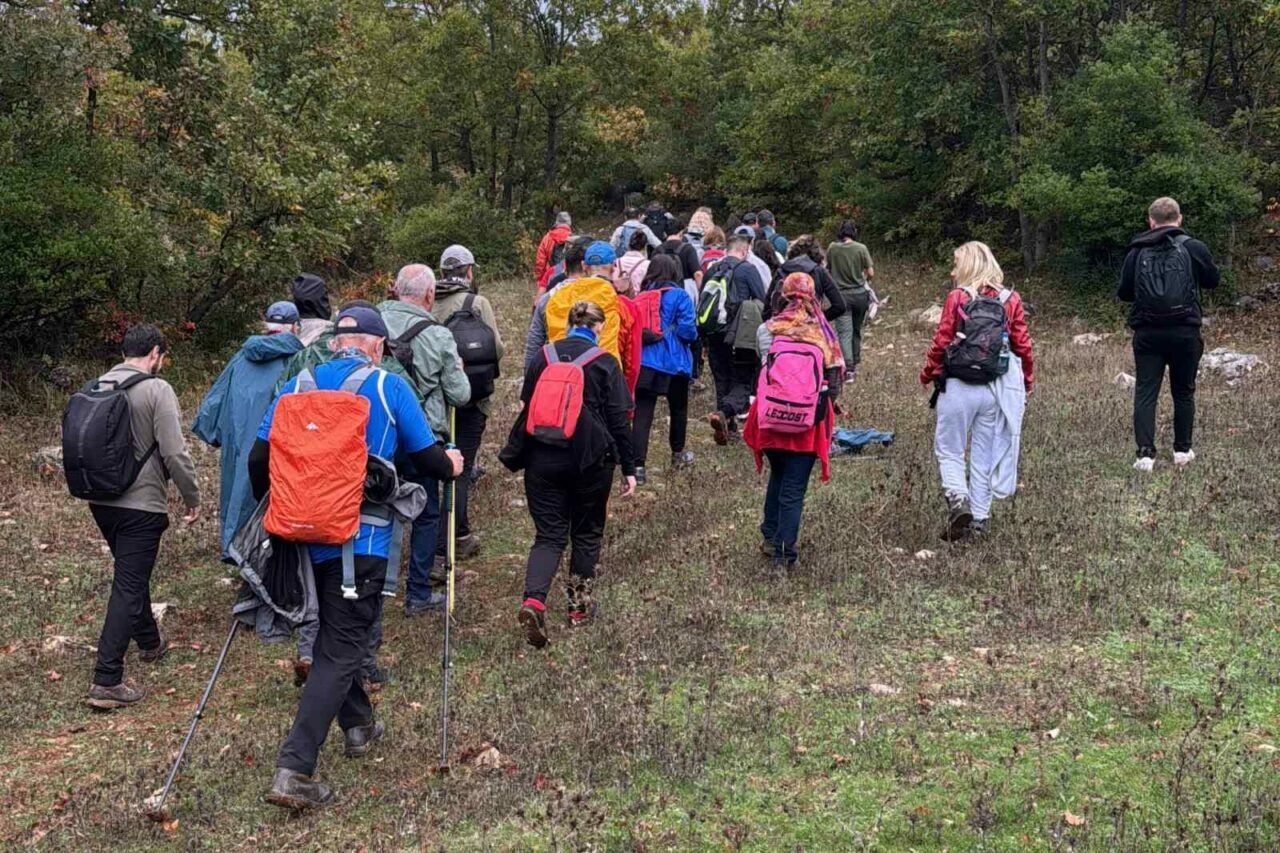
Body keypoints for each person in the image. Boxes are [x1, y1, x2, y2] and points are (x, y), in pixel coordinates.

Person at [253, 307, 464, 810]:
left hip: (301, 537)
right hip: (361, 543)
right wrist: (452, 463)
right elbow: (429, 459)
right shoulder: (389, 387)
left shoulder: (296, 385)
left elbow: (258, 460)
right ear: (376, 345)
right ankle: (294, 768)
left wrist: (287, 509)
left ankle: (360, 725)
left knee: (332, 637)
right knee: (343, 650)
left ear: (335, 342)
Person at [500, 301, 638, 649]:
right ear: (599, 328)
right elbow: (620, 420)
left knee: (548, 536)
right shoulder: (605, 362)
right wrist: (630, 467)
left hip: (541, 458)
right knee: (587, 533)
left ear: (567, 324)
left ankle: (533, 601)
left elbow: (527, 402)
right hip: (590, 461)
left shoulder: (542, 357)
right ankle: (578, 609)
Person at [82, 324, 201, 710]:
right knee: (129, 584)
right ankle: (107, 679)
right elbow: (174, 452)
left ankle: (150, 642)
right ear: (154, 354)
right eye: (162, 357)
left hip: (100, 500)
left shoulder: (97, 385)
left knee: (131, 574)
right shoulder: (156, 389)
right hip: (141, 505)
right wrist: (191, 496)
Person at [919, 241, 1034, 541]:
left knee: (950, 449)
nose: (952, 270)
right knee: (985, 453)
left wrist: (928, 372)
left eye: (956, 263)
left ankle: (958, 500)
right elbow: (1023, 346)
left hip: (956, 384)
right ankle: (979, 520)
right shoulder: (1010, 299)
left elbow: (943, 339)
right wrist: (1027, 381)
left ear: (968, 265)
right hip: (994, 388)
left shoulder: (957, 296)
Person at [378, 264, 472, 617]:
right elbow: (460, 395)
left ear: (395, 289)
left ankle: (365, 586)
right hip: (421, 437)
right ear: (430, 295)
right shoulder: (437, 335)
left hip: (374, 434)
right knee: (426, 513)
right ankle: (417, 593)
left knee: (375, 508)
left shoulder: (372, 322)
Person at [745, 273, 842, 574]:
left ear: (783, 294)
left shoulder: (767, 329)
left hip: (771, 416)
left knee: (778, 473)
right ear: (814, 296)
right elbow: (835, 384)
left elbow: (764, 368)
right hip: (807, 420)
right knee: (793, 487)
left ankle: (770, 536)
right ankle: (783, 557)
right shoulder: (824, 333)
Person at [193, 301, 303, 561]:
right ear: (295, 327)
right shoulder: (298, 360)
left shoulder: (242, 357)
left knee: (238, 497)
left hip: (239, 445)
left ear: (267, 327)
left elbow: (212, 407)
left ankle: (238, 551)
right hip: (277, 448)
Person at [1118, 197, 1220, 471]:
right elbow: (1213, 281)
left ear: (1150, 221)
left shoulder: (1137, 252)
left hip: (1148, 332)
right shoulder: (1193, 247)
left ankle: (1144, 456)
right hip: (1186, 330)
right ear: (1180, 218)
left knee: (1145, 391)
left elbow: (1124, 293)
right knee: (1184, 391)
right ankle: (1182, 451)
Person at [433, 245, 506, 561]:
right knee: (459, 470)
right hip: (473, 398)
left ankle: (450, 534)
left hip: (434, 401)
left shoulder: (426, 302)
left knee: (434, 467)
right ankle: (451, 542)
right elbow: (498, 348)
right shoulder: (478, 303)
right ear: (469, 271)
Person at [526, 240, 639, 396]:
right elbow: (631, 359)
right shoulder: (623, 305)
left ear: (585, 267)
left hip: (561, 378)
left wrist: (529, 389)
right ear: (614, 266)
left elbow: (535, 343)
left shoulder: (557, 297)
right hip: (604, 378)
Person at [631, 256, 698, 483]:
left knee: (643, 413)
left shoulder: (640, 297)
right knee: (678, 409)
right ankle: (677, 455)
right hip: (674, 362)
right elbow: (688, 330)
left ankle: (637, 467)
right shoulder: (680, 295)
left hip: (645, 361)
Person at [705, 233, 767, 444]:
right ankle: (724, 413)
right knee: (743, 379)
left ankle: (728, 429)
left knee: (721, 378)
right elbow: (762, 300)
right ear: (745, 250)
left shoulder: (712, 269)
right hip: (741, 334)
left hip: (714, 333)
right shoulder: (748, 269)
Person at [826, 220, 876, 379]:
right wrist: (862, 277)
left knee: (844, 332)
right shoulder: (861, 248)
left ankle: (848, 368)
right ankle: (855, 359)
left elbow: (827, 269)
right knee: (856, 329)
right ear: (854, 232)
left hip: (841, 296)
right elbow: (871, 272)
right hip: (860, 294)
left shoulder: (832, 248)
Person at [766, 236, 847, 323]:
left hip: (782, 327)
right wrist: (819, 319)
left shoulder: (781, 271)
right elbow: (840, 306)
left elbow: (767, 307)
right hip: (811, 329)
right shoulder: (819, 271)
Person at [535, 211, 573, 286]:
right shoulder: (573, 238)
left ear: (556, 222)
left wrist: (540, 279)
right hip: (569, 277)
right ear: (569, 223)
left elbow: (540, 261)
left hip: (551, 275)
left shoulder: (547, 238)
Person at [615, 229, 651, 294]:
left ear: (629, 245)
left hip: (620, 300)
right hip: (639, 301)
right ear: (644, 247)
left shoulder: (616, 262)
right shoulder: (648, 264)